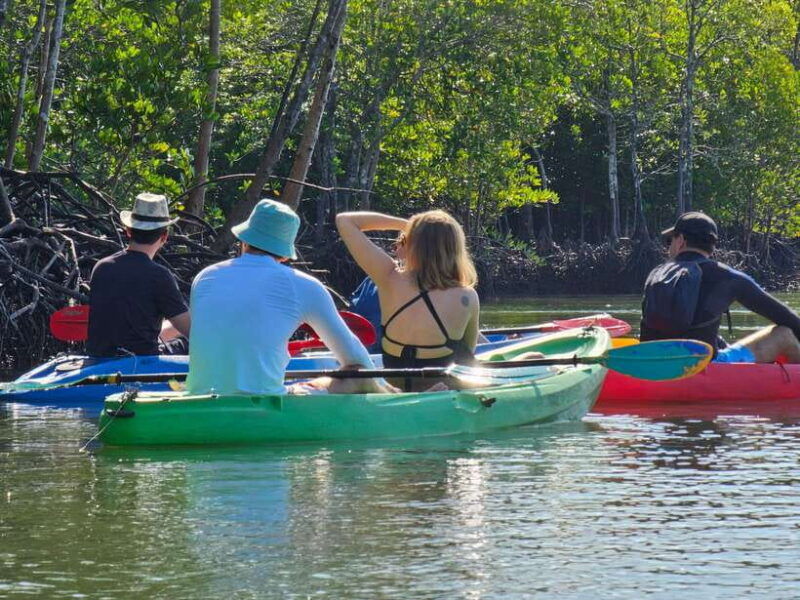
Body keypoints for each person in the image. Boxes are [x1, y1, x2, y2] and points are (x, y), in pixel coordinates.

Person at [186, 199, 393, 396]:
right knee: (361, 376)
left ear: (243, 240)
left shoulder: (205, 277)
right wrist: (387, 389)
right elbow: (355, 357)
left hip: (199, 396)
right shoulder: (304, 285)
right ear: (285, 254)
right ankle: (395, 401)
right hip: (265, 403)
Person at [336, 210, 480, 390]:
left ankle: (393, 394)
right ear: (456, 249)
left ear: (414, 244)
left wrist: (408, 225)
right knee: (524, 357)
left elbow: (345, 221)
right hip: (441, 385)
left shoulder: (388, 277)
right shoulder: (467, 296)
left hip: (395, 383)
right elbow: (468, 355)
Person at [641, 211, 800, 363]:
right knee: (785, 334)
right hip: (703, 366)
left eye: (670, 241)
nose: (669, 246)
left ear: (681, 240)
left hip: (653, 362)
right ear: (712, 246)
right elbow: (790, 320)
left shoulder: (657, 274)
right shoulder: (729, 277)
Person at [87, 192, 190, 357]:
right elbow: (191, 331)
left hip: (100, 358)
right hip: (140, 362)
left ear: (128, 231)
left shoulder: (101, 267)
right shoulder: (159, 276)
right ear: (164, 236)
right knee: (186, 343)